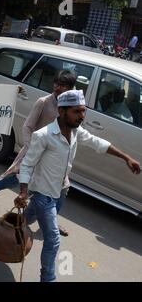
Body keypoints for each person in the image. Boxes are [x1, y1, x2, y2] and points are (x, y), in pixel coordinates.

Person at [14, 89, 140, 282]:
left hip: (62, 189)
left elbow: (97, 142)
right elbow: (28, 164)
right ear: (62, 111)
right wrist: (23, 191)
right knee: (53, 241)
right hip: (43, 194)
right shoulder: (43, 136)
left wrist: (126, 157)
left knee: (27, 218)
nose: (82, 116)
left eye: (83, 111)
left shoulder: (76, 131)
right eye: (77, 111)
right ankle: (47, 279)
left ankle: (11, 228)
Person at [0, 70, 77, 237]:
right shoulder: (43, 102)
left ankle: (50, 220)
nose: (58, 88)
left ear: (71, 89)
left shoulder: (72, 108)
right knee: (12, 181)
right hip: (34, 154)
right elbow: (27, 127)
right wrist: (33, 150)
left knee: (62, 189)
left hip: (55, 160)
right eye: (56, 83)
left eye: (63, 86)